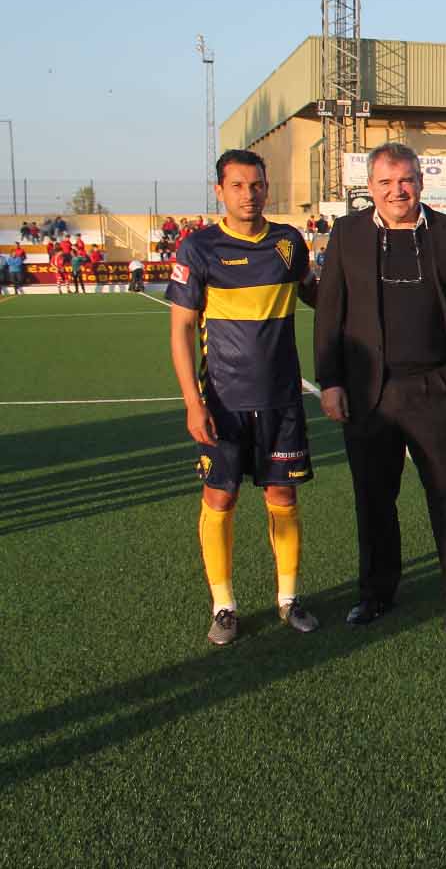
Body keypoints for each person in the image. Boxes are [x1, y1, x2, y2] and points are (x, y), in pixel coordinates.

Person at [315, 141, 446, 631]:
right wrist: (330, 382)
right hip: (369, 393)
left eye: (406, 180)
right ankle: (375, 593)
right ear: (370, 188)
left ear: (420, 182)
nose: (397, 191)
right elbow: (329, 315)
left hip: (434, 388)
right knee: (373, 498)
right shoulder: (347, 235)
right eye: (386, 183)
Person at [166, 149, 317, 646]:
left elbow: (316, 293)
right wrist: (193, 401)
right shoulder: (199, 249)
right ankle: (224, 606)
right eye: (237, 186)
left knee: (283, 496)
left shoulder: (288, 242)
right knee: (220, 496)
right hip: (223, 402)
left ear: (266, 188)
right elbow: (182, 330)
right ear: (219, 191)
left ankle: (289, 599)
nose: (248, 195)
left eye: (256, 185)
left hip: (281, 400)